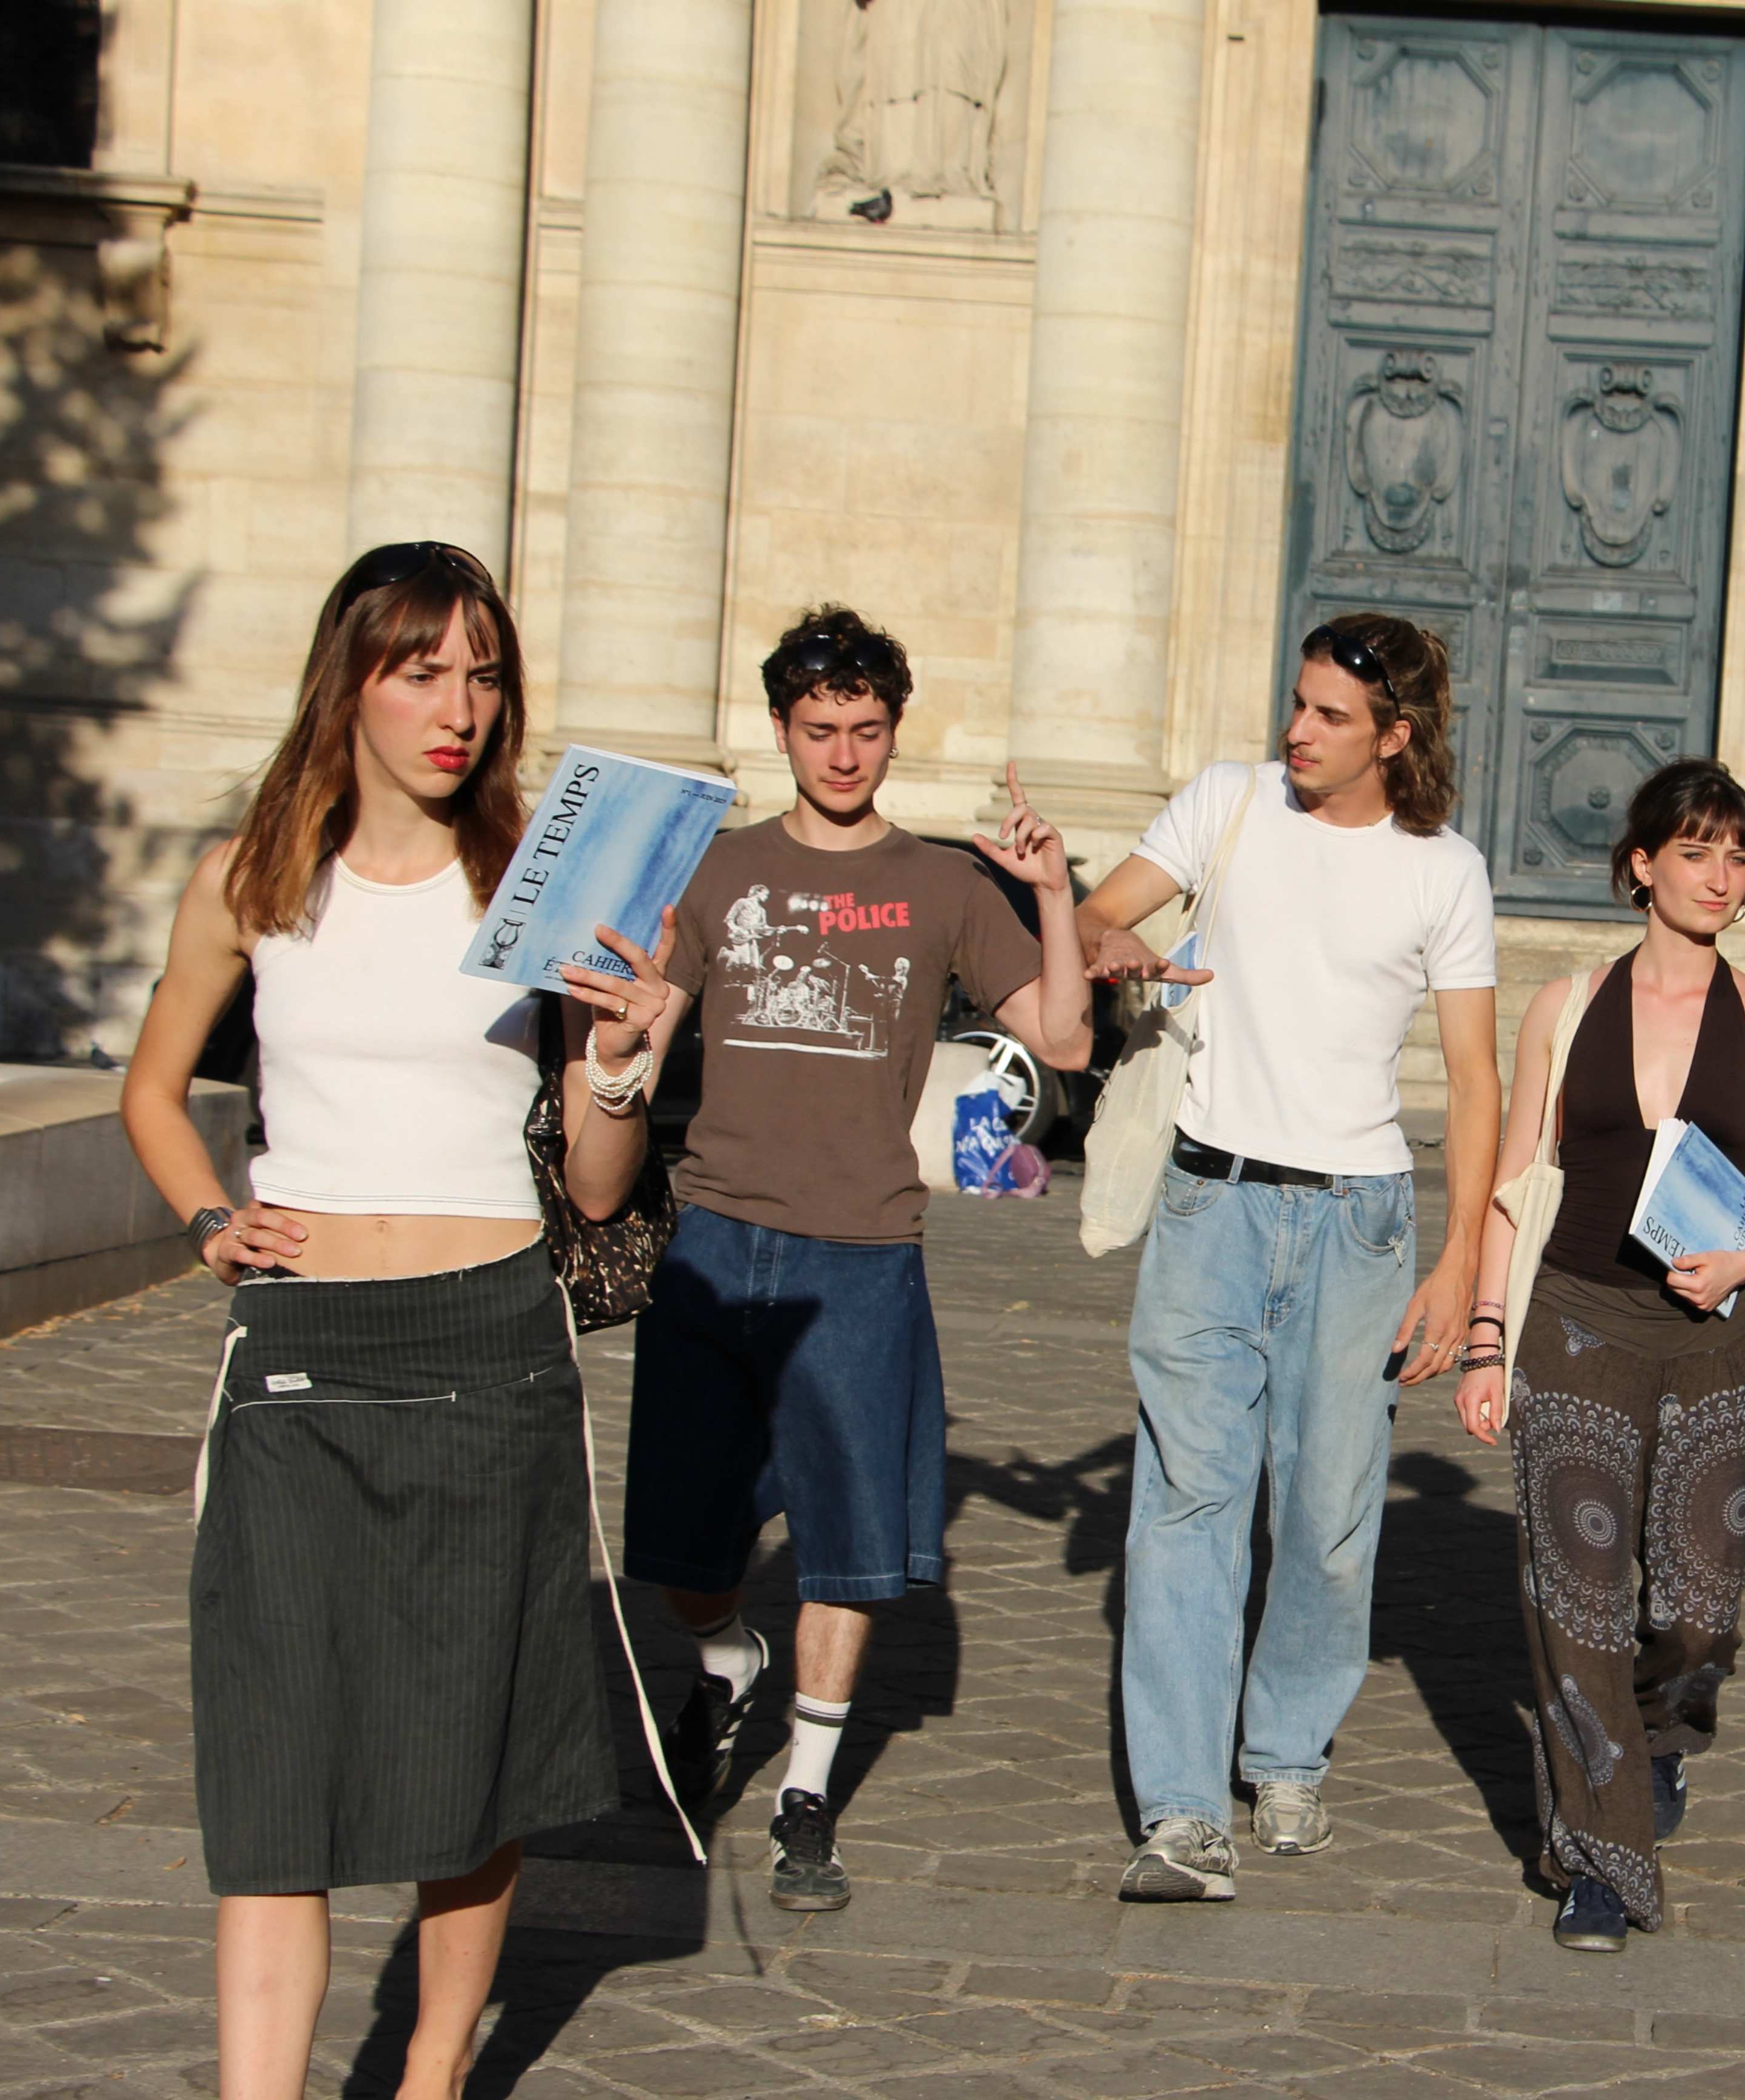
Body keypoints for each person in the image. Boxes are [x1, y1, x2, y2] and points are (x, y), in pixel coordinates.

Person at [119, 541, 671, 2100]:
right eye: (422, 668)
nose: (459, 706)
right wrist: (206, 1219)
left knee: (465, 1755)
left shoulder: (540, 885)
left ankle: (429, 2076)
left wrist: (624, 1057)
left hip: (491, 1345)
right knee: (272, 1768)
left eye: (483, 671)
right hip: (300, 1355)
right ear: (348, 675)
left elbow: (602, 1176)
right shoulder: (248, 878)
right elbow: (154, 1090)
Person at [619, 606, 1091, 1912]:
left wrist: (1049, 893)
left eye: (866, 730)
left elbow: (1062, 1038)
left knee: (847, 1545)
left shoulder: (944, 883)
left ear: (893, 729)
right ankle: (726, 1659)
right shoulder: (714, 871)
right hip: (713, 1237)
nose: (843, 752)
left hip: (865, 1252)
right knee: (681, 1558)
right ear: (782, 728)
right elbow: (645, 1018)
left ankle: (805, 1799)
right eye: (819, 729)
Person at [1076, 613, 1502, 1901]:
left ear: (1397, 736)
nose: (1297, 731)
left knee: (1325, 1522)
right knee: (1189, 1503)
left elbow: (1478, 1085)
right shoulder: (1228, 803)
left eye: (1327, 715)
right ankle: (1185, 1810)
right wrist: (1121, 948)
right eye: (1297, 705)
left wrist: (1461, 1269)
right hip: (1209, 1205)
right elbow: (1100, 917)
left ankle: (1289, 1745)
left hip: (1361, 1220)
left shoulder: (1446, 871)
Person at [1448, 758, 1745, 1952]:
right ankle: (1601, 1859)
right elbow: (1518, 1183)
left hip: (1717, 1327)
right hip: (1573, 1318)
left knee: (1702, 1602)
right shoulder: (1563, 1009)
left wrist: (1742, 1261)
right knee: (1578, 1600)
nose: (1721, 876)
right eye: (1699, 851)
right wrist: (1486, 1336)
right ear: (1642, 866)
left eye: (1738, 857)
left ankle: (1666, 1726)